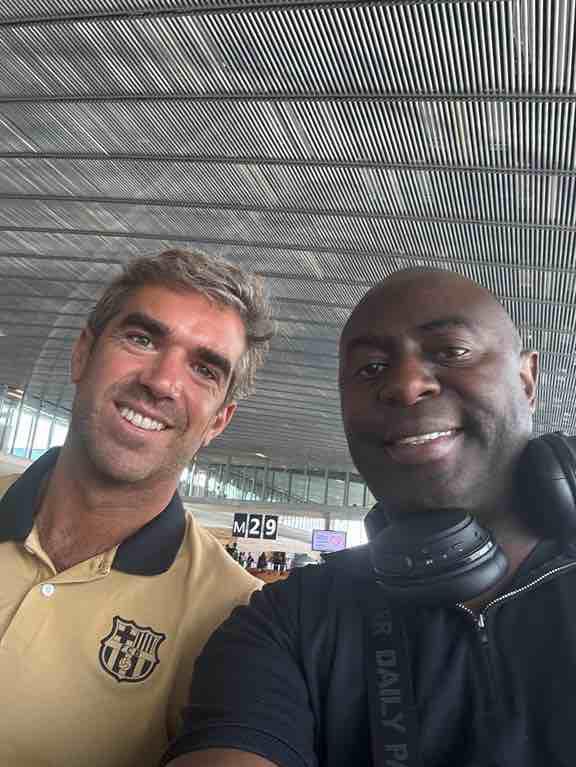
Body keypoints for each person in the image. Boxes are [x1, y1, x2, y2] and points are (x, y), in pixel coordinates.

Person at [163, 268, 576, 767]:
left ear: (527, 380)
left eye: (451, 351)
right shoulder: (288, 623)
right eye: (371, 368)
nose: (406, 384)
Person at [0, 248, 274, 767]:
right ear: (82, 354)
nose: (162, 381)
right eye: (142, 339)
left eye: (204, 369)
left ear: (218, 421)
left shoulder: (234, 617)